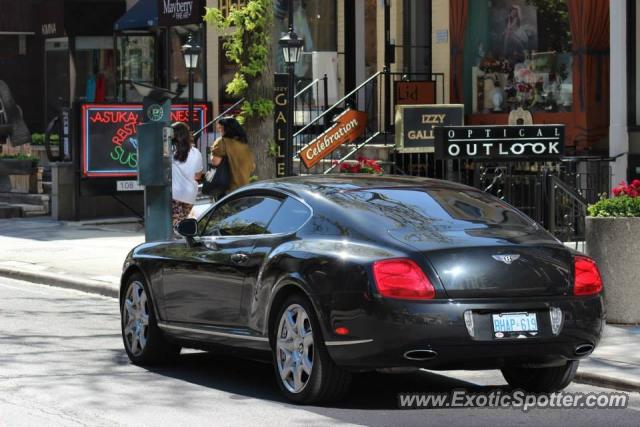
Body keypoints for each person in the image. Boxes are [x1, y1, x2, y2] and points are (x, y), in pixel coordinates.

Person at [210, 117, 255, 195]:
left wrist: (211, 154)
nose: (219, 131)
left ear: (227, 129)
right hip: (244, 188)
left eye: (220, 128)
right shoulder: (244, 145)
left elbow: (215, 162)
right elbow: (252, 167)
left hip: (227, 190)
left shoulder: (222, 141)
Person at [171, 122, 203, 227]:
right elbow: (198, 176)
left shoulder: (170, 151)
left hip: (174, 193)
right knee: (182, 222)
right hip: (190, 193)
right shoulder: (196, 152)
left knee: (176, 224)